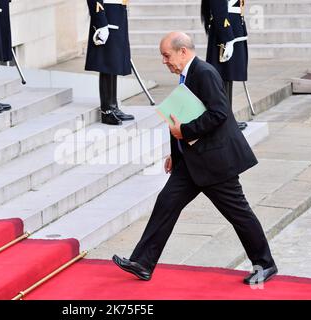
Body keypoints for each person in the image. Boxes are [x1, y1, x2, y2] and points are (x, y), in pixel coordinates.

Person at [112, 32, 278, 285]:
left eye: (166, 55)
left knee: (239, 214)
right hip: (192, 161)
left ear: (183, 51)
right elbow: (183, 114)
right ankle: (143, 262)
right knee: (166, 202)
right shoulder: (187, 74)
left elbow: (219, 113)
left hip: (215, 163)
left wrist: (184, 132)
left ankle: (265, 264)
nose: (164, 61)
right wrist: (175, 152)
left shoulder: (205, 72)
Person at [85, 0, 135, 125]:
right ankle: (106, 110)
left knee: (114, 61)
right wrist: (101, 22)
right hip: (107, 12)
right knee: (107, 62)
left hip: (117, 11)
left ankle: (113, 106)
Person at [201, 0, 248, 130]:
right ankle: (223, 118)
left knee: (228, 76)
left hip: (233, 30)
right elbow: (219, 9)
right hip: (225, 33)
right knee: (221, 77)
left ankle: (228, 117)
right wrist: (227, 37)